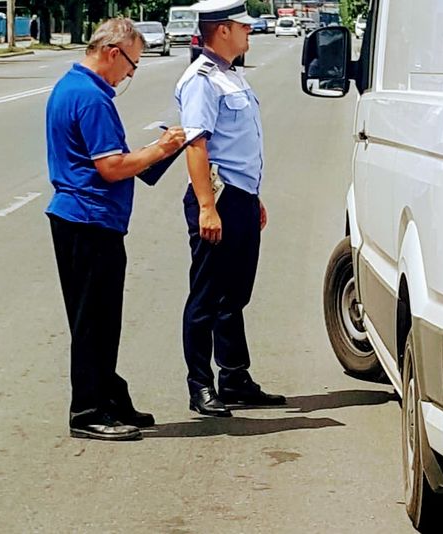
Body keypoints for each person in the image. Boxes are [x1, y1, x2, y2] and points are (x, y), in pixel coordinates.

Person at [45, 18, 186, 441]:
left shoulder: (73, 87)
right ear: (112, 52)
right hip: (89, 219)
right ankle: (88, 410)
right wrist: (160, 149)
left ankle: (109, 394)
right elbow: (111, 167)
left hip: (83, 217)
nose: (130, 74)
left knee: (101, 319)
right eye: (132, 64)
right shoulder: (91, 98)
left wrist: (155, 153)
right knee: (94, 321)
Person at [175, 0, 286, 417]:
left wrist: (251, 197)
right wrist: (208, 206)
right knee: (206, 296)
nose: (249, 32)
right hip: (217, 198)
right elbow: (196, 146)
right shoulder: (201, 80)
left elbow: (237, 148)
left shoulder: (230, 75)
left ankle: (235, 376)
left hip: (240, 197)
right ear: (222, 30)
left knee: (235, 294)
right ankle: (200, 385)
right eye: (244, 27)